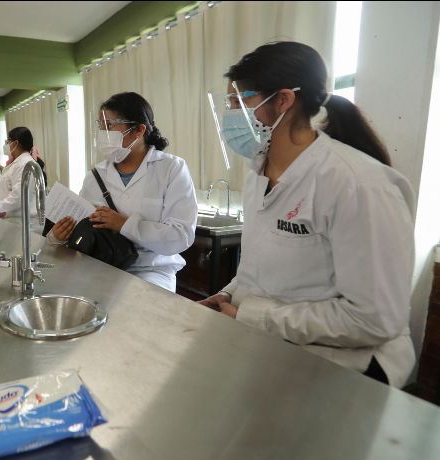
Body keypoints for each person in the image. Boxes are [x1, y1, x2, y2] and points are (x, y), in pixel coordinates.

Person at [198, 41, 416, 387]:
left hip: (348, 368)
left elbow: (375, 319)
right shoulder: (259, 171)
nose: (230, 117)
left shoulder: (356, 185)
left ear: (283, 100)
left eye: (238, 103)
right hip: (277, 348)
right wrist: (229, 294)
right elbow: (259, 268)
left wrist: (251, 315)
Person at [47, 92, 198, 292]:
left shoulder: (171, 169)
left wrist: (124, 224)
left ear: (138, 131)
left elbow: (181, 236)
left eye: (109, 126)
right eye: (101, 126)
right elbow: (82, 229)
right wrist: (58, 235)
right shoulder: (94, 176)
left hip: (152, 272)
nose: (103, 133)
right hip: (101, 265)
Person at [0, 127, 40, 217]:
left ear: (16, 143)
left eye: (8, 141)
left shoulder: (25, 165)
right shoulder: (17, 163)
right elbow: (8, 189)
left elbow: (18, 198)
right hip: (14, 219)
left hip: (22, 222)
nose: (6, 145)